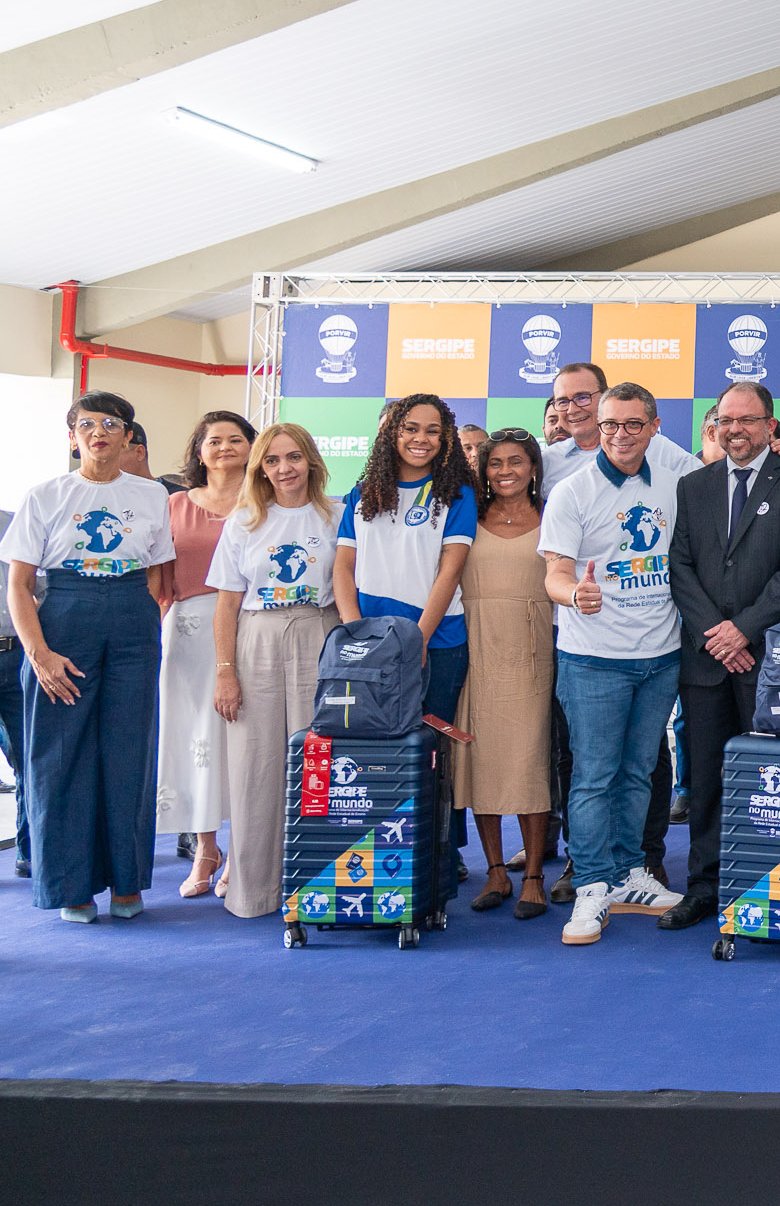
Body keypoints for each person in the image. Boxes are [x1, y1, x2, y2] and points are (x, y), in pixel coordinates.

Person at [2, 391, 174, 922]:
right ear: (72, 436)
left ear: (129, 436)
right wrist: (40, 655)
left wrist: (139, 627)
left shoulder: (151, 496)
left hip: (132, 623)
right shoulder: (46, 494)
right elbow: (20, 585)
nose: (98, 431)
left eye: (111, 423)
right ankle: (71, 888)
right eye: (86, 423)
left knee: (129, 754)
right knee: (61, 758)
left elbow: (159, 577)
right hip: (64, 620)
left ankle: (127, 884)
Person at [540, 383, 689, 944]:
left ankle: (629, 874)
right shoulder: (573, 492)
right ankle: (592, 886)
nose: (620, 436)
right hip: (593, 661)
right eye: (609, 426)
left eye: (632, 425)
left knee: (638, 773)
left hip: (659, 657)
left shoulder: (678, 482)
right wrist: (572, 595)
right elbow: (554, 572)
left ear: (653, 427)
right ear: (596, 429)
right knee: (594, 777)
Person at [663, 381, 780, 931]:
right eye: (726, 421)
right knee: (704, 780)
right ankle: (704, 886)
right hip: (705, 661)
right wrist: (715, 635)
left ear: (771, 425)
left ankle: (770, 882)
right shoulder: (693, 485)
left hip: (765, 660)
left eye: (747, 420)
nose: (736, 430)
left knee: (769, 780)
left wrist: (743, 632)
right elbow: (680, 565)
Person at [335, 393, 479, 888]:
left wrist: (416, 639)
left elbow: (450, 571)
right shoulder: (362, 493)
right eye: (411, 428)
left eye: (433, 430)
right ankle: (379, 857)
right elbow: (343, 567)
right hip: (372, 646)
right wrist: (357, 635)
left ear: (445, 438)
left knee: (433, 756)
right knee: (379, 754)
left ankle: (441, 859)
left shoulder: (456, 494)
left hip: (437, 643)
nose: (421, 439)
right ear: (391, 432)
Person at [207, 423, 341, 918]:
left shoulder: (337, 517)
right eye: (271, 460)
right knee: (255, 767)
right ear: (259, 468)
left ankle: (317, 886)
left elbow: (347, 586)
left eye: (293, 458)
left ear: (311, 461)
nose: (283, 468)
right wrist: (225, 671)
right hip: (255, 640)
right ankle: (255, 892)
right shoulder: (243, 522)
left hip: (319, 635)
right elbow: (226, 605)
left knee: (317, 764)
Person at [452, 429, 555, 919]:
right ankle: (495, 870)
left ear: (534, 467)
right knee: (483, 761)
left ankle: (533, 874)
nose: (506, 471)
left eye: (516, 461)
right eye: (495, 463)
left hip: (534, 649)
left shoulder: (551, 513)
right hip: (476, 648)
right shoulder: (465, 515)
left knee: (531, 762)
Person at [157, 410, 255, 898]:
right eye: (214, 440)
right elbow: (158, 577)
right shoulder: (175, 503)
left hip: (250, 627)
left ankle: (242, 851)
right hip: (188, 634)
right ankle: (204, 849)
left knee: (244, 737)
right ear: (199, 450)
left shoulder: (267, 501)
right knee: (194, 741)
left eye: (235, 439)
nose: (224, 448)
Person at [542, 362, 697, 497]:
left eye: (582, 398)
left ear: (605, 396)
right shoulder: (548, 460)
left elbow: (704, 485)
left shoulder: (655, 446)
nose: (572, 409)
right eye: (562, 401)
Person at [0, 509, 25, 880]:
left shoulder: (15, 521)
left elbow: (40, 583)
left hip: (16, 655)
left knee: (30, 760)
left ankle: (32, 850)